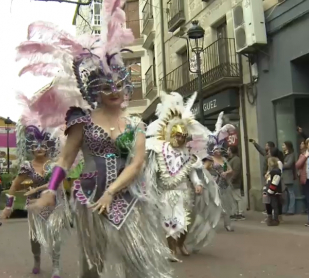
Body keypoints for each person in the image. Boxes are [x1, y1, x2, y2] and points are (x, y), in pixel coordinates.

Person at [19, 6, 173, 276]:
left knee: (138, 260)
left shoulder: (136, 124)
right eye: (105, 86)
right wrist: (51, 190)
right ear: (95, 91)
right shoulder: (82, 121)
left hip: (131, 197)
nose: (113, 90)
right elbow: (65, 159)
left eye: (117, 84)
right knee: (93, 263)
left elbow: (137, 163)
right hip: (90, 197)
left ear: (125, 86)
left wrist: (113, 191)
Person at [145, 93, 223, 261]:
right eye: (177, 136)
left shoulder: (187, 154)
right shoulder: (160, 150)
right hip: (166, 193)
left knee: (185, 222)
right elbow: (153, 171)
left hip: (184, 193)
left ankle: (181, 244)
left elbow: (192, 171)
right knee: (169, 223)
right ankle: (171, 249)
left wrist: (197, 183)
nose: (180, 139)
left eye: (183, 136)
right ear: (171, 134)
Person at [1, 117, 68, 278]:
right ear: (30, 148)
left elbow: (57, 184)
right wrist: (8, 206)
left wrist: (37, 188)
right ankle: (37, 260)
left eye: (42, 145)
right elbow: (14, 186)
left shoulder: (54, 165)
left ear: (48, 147)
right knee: (35, 239)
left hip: (55, 203)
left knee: (55, 237)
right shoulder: (27, 166)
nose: (39, 148)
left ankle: (56, 267)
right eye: (35, 146)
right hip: (36, 206)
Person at [228, 146, 246, 220]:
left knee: (238, 197)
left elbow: (236, 171)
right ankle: (235, 212)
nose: (227, 151)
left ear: (231, 151)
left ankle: (240, 213)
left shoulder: (236, 160)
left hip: (234, 182)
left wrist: (232, 179)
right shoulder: (232, 159)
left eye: (228, 150)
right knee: (233, 198)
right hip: (231, 182)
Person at [263, 157, 283, 226]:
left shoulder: (276, 172)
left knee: (275, 205)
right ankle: (270, 218)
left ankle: (275, 219)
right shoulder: (271, 172)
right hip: (269, 191)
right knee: (268, 205)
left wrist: (270, 191)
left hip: (273, 192)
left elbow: (275, 182)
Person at [282, 141, 296, 215]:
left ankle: (291, 210)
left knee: (291, 193)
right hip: (284, 176)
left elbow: (288, 164)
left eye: (283, 145)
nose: (282, 147)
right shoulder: (284, 154)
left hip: (288, 176)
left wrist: (282, 165)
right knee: (285, 194)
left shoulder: (291, 155)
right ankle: (284, 209)